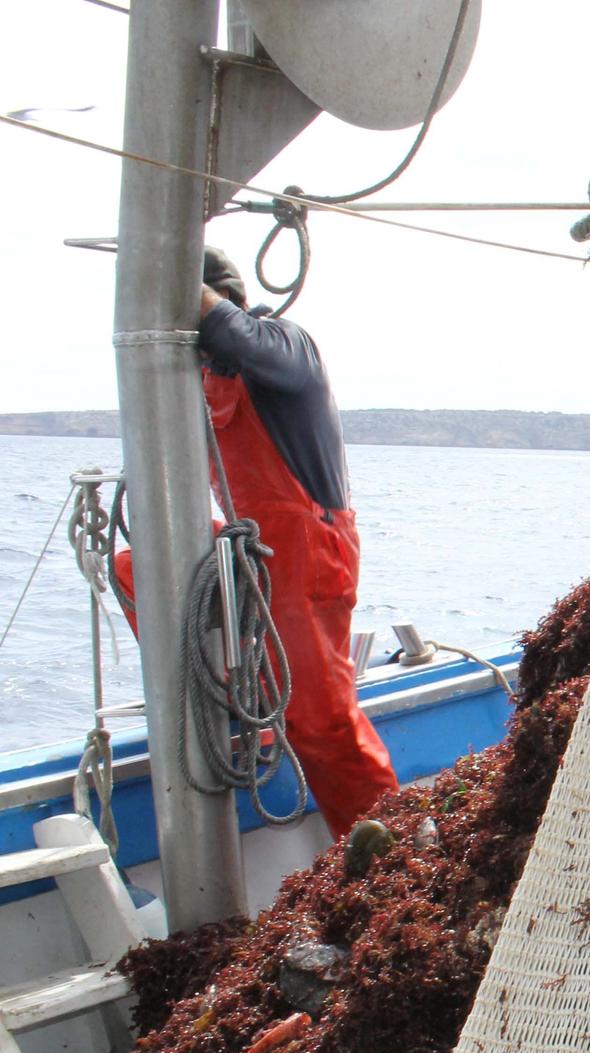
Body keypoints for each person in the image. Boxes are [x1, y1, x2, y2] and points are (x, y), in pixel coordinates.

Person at [115, 247, 397, 841]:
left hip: (307, 547)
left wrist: (174, 278)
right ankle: (235, 708)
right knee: (135, 568)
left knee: (323, 723)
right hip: (249, 548)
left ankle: (384, 847)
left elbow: (239, 337)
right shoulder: (207, 376)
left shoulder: (286, 345)